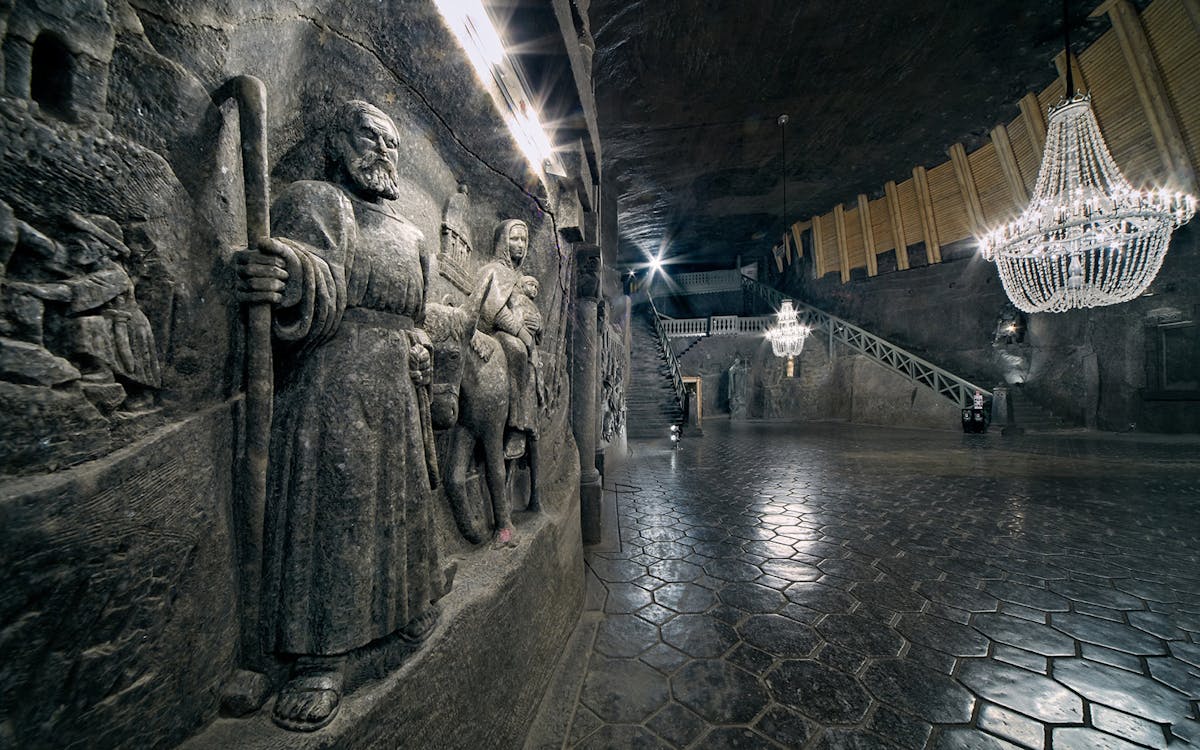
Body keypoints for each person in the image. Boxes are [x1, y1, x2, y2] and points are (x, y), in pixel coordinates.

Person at [235, 100, 447, 732]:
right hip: (333, 387)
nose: (382, 150)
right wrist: (288, 276)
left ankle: (409, 604)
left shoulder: (410, 236)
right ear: (338, 142)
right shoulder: (320, 201)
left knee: (404, 502)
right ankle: (320, 657)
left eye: (392, 143)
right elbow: (313, 270)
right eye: (369, 136)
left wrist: (420, 345)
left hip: (396, 389)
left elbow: (418, 316)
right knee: (341, 509)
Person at [474, 219, 538, 459]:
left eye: (523, 240)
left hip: (521, 334)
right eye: (514, 239)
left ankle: (523, 423)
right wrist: (521, 332)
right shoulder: (493, 270)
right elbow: (493, 309)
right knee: (516, 349)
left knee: (528, 359)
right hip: (492, 331)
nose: (520, 244)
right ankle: (515, 427)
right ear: (503, 241)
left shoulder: (519, 277)